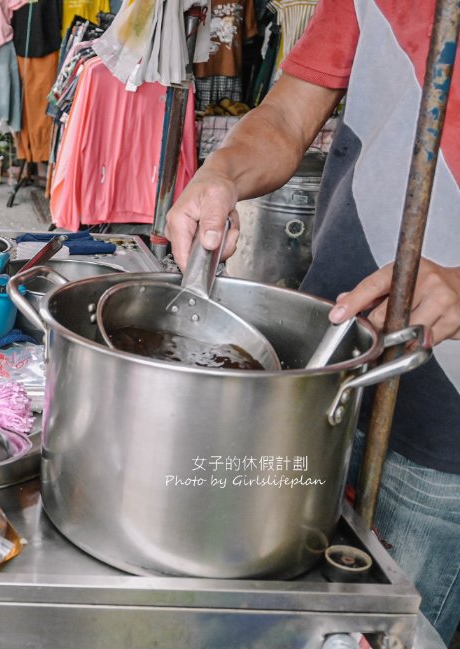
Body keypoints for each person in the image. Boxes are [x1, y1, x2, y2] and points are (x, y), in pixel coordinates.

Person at [165, 0, 460, 641]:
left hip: (445, 426)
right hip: (325, 356)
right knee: (274, 611)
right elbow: (286, 117)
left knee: (383, 626)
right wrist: (220, 174)